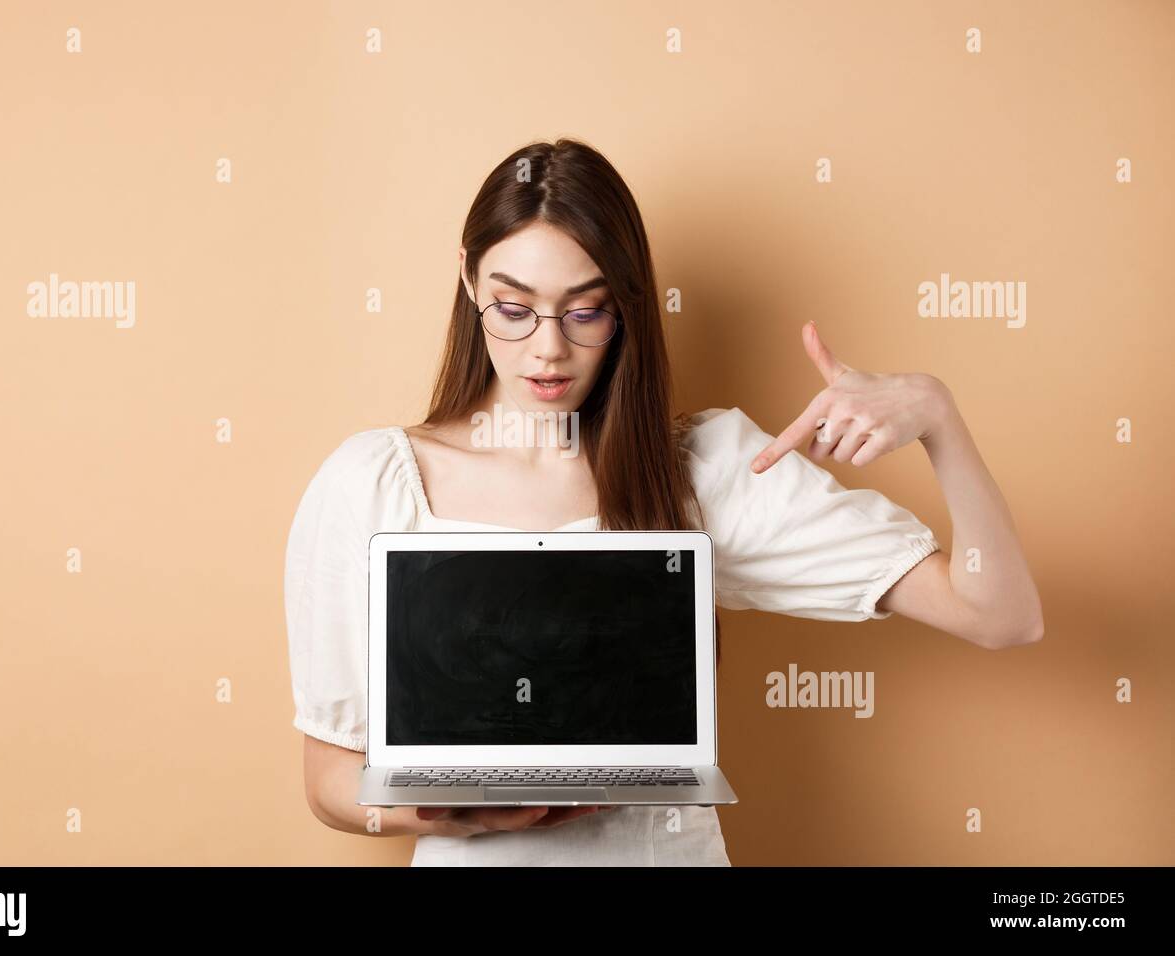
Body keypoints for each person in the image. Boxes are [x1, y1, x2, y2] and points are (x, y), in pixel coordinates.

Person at [285, 138, 1043, 866]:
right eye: (513, 309)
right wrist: (460, 812)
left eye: (586, 311)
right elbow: (328, 780)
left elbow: (1000, 615)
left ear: (629, 307)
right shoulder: (372, 480)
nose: (548, 350)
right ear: (468, 280)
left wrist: (939, 418)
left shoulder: (701, 471)